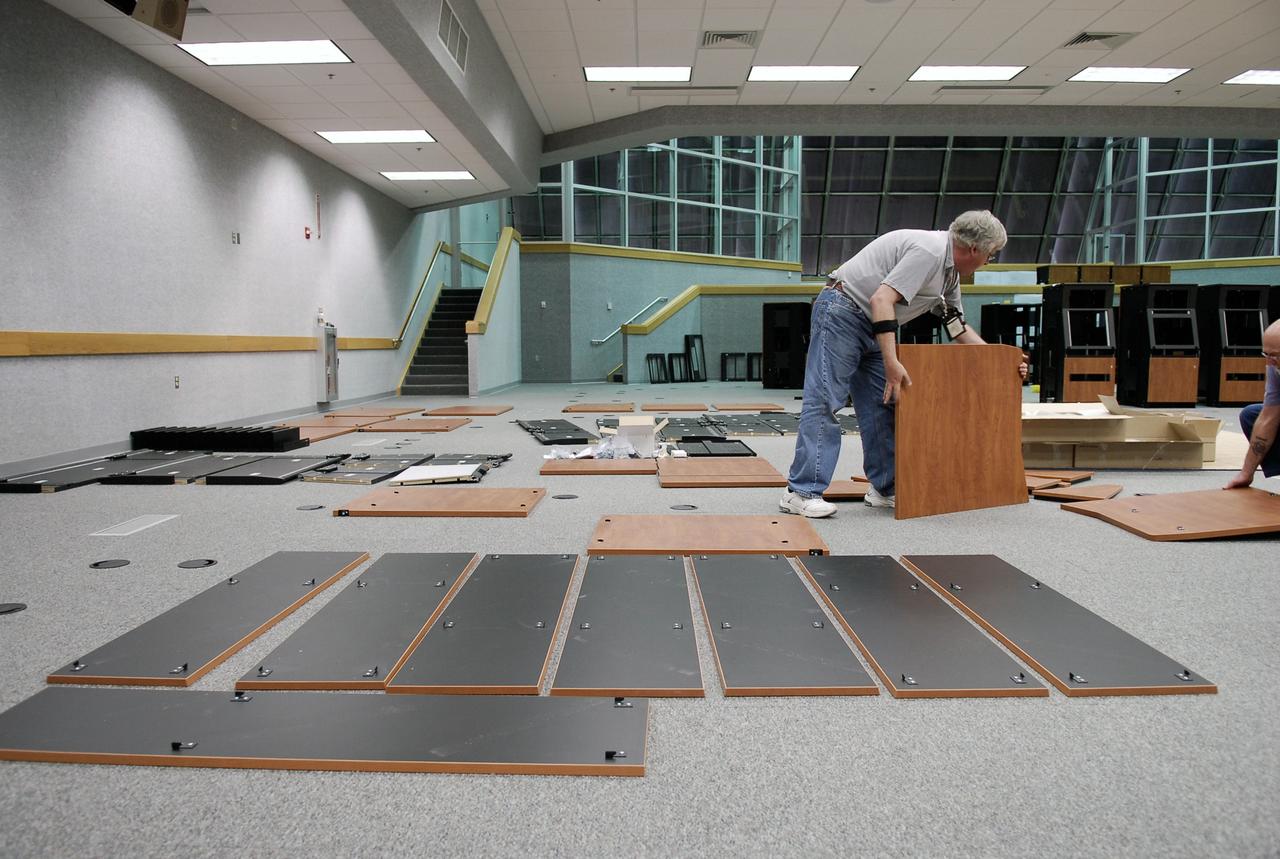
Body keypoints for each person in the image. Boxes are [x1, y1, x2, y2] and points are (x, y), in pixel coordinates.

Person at [779, 210, 1025, 518]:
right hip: (842, 311)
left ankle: (884, 488)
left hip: (872, 325)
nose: (988, 262)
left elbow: (956, 327)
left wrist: (1002, 364)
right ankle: (801, 492)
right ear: (974, 249)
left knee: (883, 404)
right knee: (826, 399)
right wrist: (892, 363)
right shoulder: (930, 252)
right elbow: (881, 300)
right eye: (991, 255)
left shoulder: (949, 271)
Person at [1224, 319, 1280, 490]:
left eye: (1276, 355)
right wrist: (1246, 473)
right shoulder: (1275, 367)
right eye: (1266, 354)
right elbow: (1268, 417)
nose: (1269, 362)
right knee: (1252, 415)